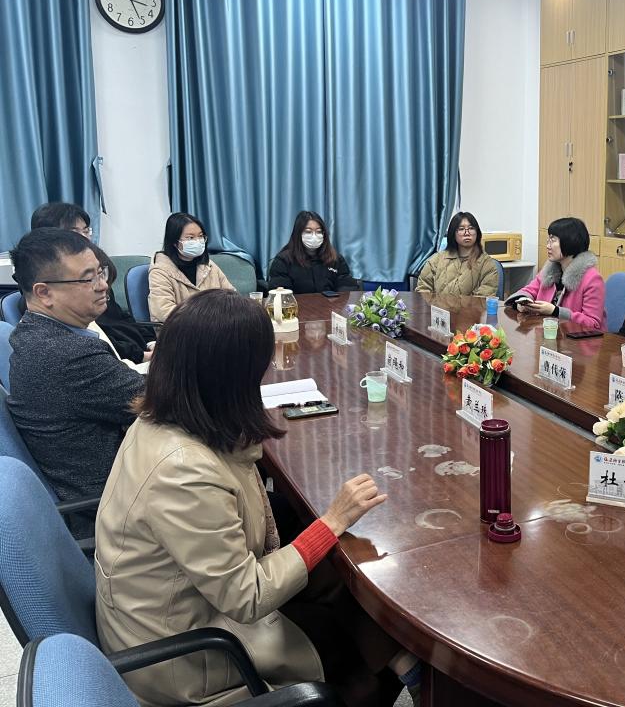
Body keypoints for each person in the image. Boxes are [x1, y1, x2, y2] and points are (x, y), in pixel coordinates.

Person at [94, 290, 419, 706]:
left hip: (188, 605)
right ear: (232, 377)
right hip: (186, 652)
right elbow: (246, 597)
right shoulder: (183, 471)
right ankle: (396, 673)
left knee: (335, 568)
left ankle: (403, 659)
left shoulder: (168, 415)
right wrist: (332, 521)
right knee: (357, 670)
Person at [6, 229, 146, 537]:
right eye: (87, 279)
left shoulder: (34, 333)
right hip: (113, 509)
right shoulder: (66, 353)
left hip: (112, 485)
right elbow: (158, 399)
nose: (102, 285)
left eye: (100, 272)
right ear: (44, 293)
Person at [29, 203, 156, 364]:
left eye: (86, 231)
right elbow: (97, 337)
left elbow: (121, 317)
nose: (84, 238)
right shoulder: (55, 296)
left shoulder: (97, 269)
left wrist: (150, 342)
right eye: (74, 232)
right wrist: (142, 356)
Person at [507, 217, 606, 330]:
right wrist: (522, 303)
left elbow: (593, 323)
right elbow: (529, 290)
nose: (548, 246)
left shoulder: (592, 279)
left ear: (569, 242)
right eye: (548, 241)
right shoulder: (550, 270)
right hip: (548, 335)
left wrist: (555, 311)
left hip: (577, 339)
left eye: (553, 240)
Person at [148, 212, 235, 322]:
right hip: (179, 328)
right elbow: (164, 311)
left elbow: (231, 296)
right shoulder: (160, 271)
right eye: (190, 238)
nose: (197, 241)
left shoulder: (209, 265)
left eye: (200, 236)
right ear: (175, 242)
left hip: (215, 325)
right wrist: (207, 317)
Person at [267, 211, 359, 293]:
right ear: (298, 234)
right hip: (297, 306)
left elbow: (347, 287)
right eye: (308, 232)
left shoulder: (335, 259)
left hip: (331, 305)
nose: (314, 236)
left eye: (319, 232)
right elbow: (281, 294)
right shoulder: (283, 260)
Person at [415, 212, 499, 296]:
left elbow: (483, 298)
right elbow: (423, 290)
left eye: (471, 228)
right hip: (437, 305)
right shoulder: (436, 260)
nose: (467, 233)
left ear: (477, 233)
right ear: (453, 233)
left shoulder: (487, 264)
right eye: (461, 229)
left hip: (472, 305)